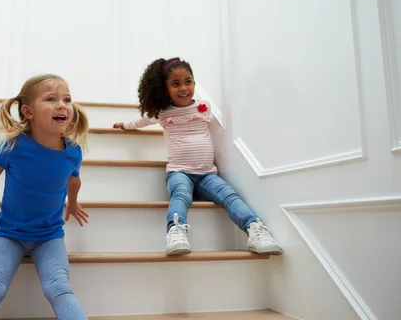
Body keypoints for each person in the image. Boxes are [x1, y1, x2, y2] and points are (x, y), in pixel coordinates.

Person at [113, 58, 282, 256]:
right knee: (181, 194)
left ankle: (255, 229)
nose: (183, 88)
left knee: (229, 195)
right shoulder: (163, 113)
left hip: (208, 174)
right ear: (164, 89)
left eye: (188, 81)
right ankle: (176, 232)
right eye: (175, 84)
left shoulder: (204, 106)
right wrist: (125, 124)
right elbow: (140, 121)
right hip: (179, 172)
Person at [0, 74, 90, 320]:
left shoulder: (73, 152)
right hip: (10, 234)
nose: (62, 104)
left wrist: (72, 203)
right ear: (28, 111)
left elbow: (74, 179)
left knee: (59, 288)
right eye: (51, 99)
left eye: (67, 99)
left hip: (48, 236)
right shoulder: (13, 146)